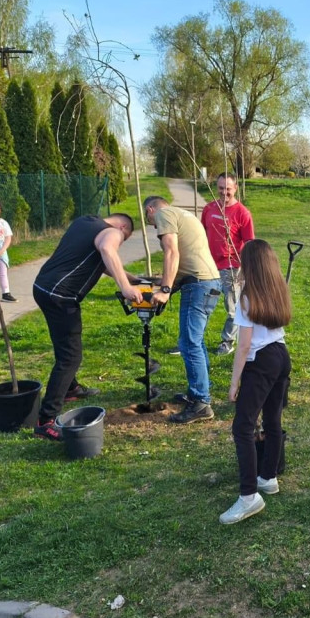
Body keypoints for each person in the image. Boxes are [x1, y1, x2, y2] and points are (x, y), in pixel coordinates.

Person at [32, 214, 144, 440]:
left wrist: (132, 278)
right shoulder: (112, 232)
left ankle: (71, 388)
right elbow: (107, 250)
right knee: (70, 357)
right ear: (123, 227)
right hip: (61, 296)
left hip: (43, 287)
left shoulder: (85, 222)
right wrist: (125, 287)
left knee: (64, 344)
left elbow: (101, 260)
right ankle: (46, 420)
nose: (119, 242)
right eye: (124, 239)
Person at [219, 240, 292, 525]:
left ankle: (249, 496)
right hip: (281, 355)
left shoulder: (247, 296)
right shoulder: (278, 288)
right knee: (272, 420)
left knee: (243, 426)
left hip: (260, 361)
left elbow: (244, 345)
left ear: (249, 265)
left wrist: (234, 382)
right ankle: (268, 477)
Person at [144, 196, 222, 425]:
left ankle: (200, 403)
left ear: (150, 210)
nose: (155, 227)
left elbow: (172, 252)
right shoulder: (184, 215)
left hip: (198, 285)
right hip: (210, 282)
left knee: (188, 342)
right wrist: (164, 284)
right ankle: (199, 390)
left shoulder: (163, 213)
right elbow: (185, 258)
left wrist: (165, 290)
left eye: (150, 222)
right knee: (196, 340)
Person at [201, 174, 255, 356]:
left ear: (235, 188)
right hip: (208, 265)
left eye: (228, 189)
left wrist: (245, 269)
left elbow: (249, 242)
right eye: (221, 188)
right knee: (204, 303)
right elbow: (202, 234)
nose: (224, 192)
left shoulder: (242, 213)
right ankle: (195, 339)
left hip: (231, 266)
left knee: (232, 308)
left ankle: (227, 341)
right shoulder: (209, 209)